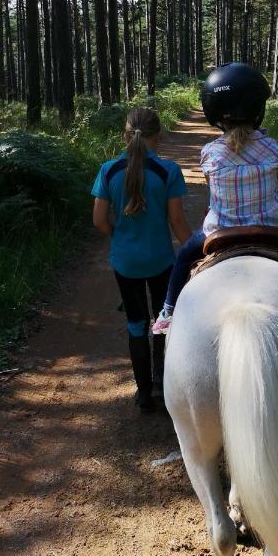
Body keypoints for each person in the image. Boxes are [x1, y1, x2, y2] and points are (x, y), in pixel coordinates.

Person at [152, 62, 278, 335]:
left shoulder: (210, 152)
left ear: (213, 111)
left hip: (221, 229)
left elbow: (214, 189)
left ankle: (168, 311)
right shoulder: (271, 146)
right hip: (272, 226)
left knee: (184, 255)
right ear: (258, 108)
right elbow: (276, 186)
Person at [92, 107, 191, 412]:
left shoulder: (109, 170)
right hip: (161, 261)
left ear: (125, 135)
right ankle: (163, 386)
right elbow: (176, 220)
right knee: (162, 322)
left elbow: (98, 220)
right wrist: (195, 250)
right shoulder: (168, 171)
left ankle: (143, 393)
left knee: (136, 322)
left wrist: (120, 238)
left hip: (125, 263)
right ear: (158, 136)